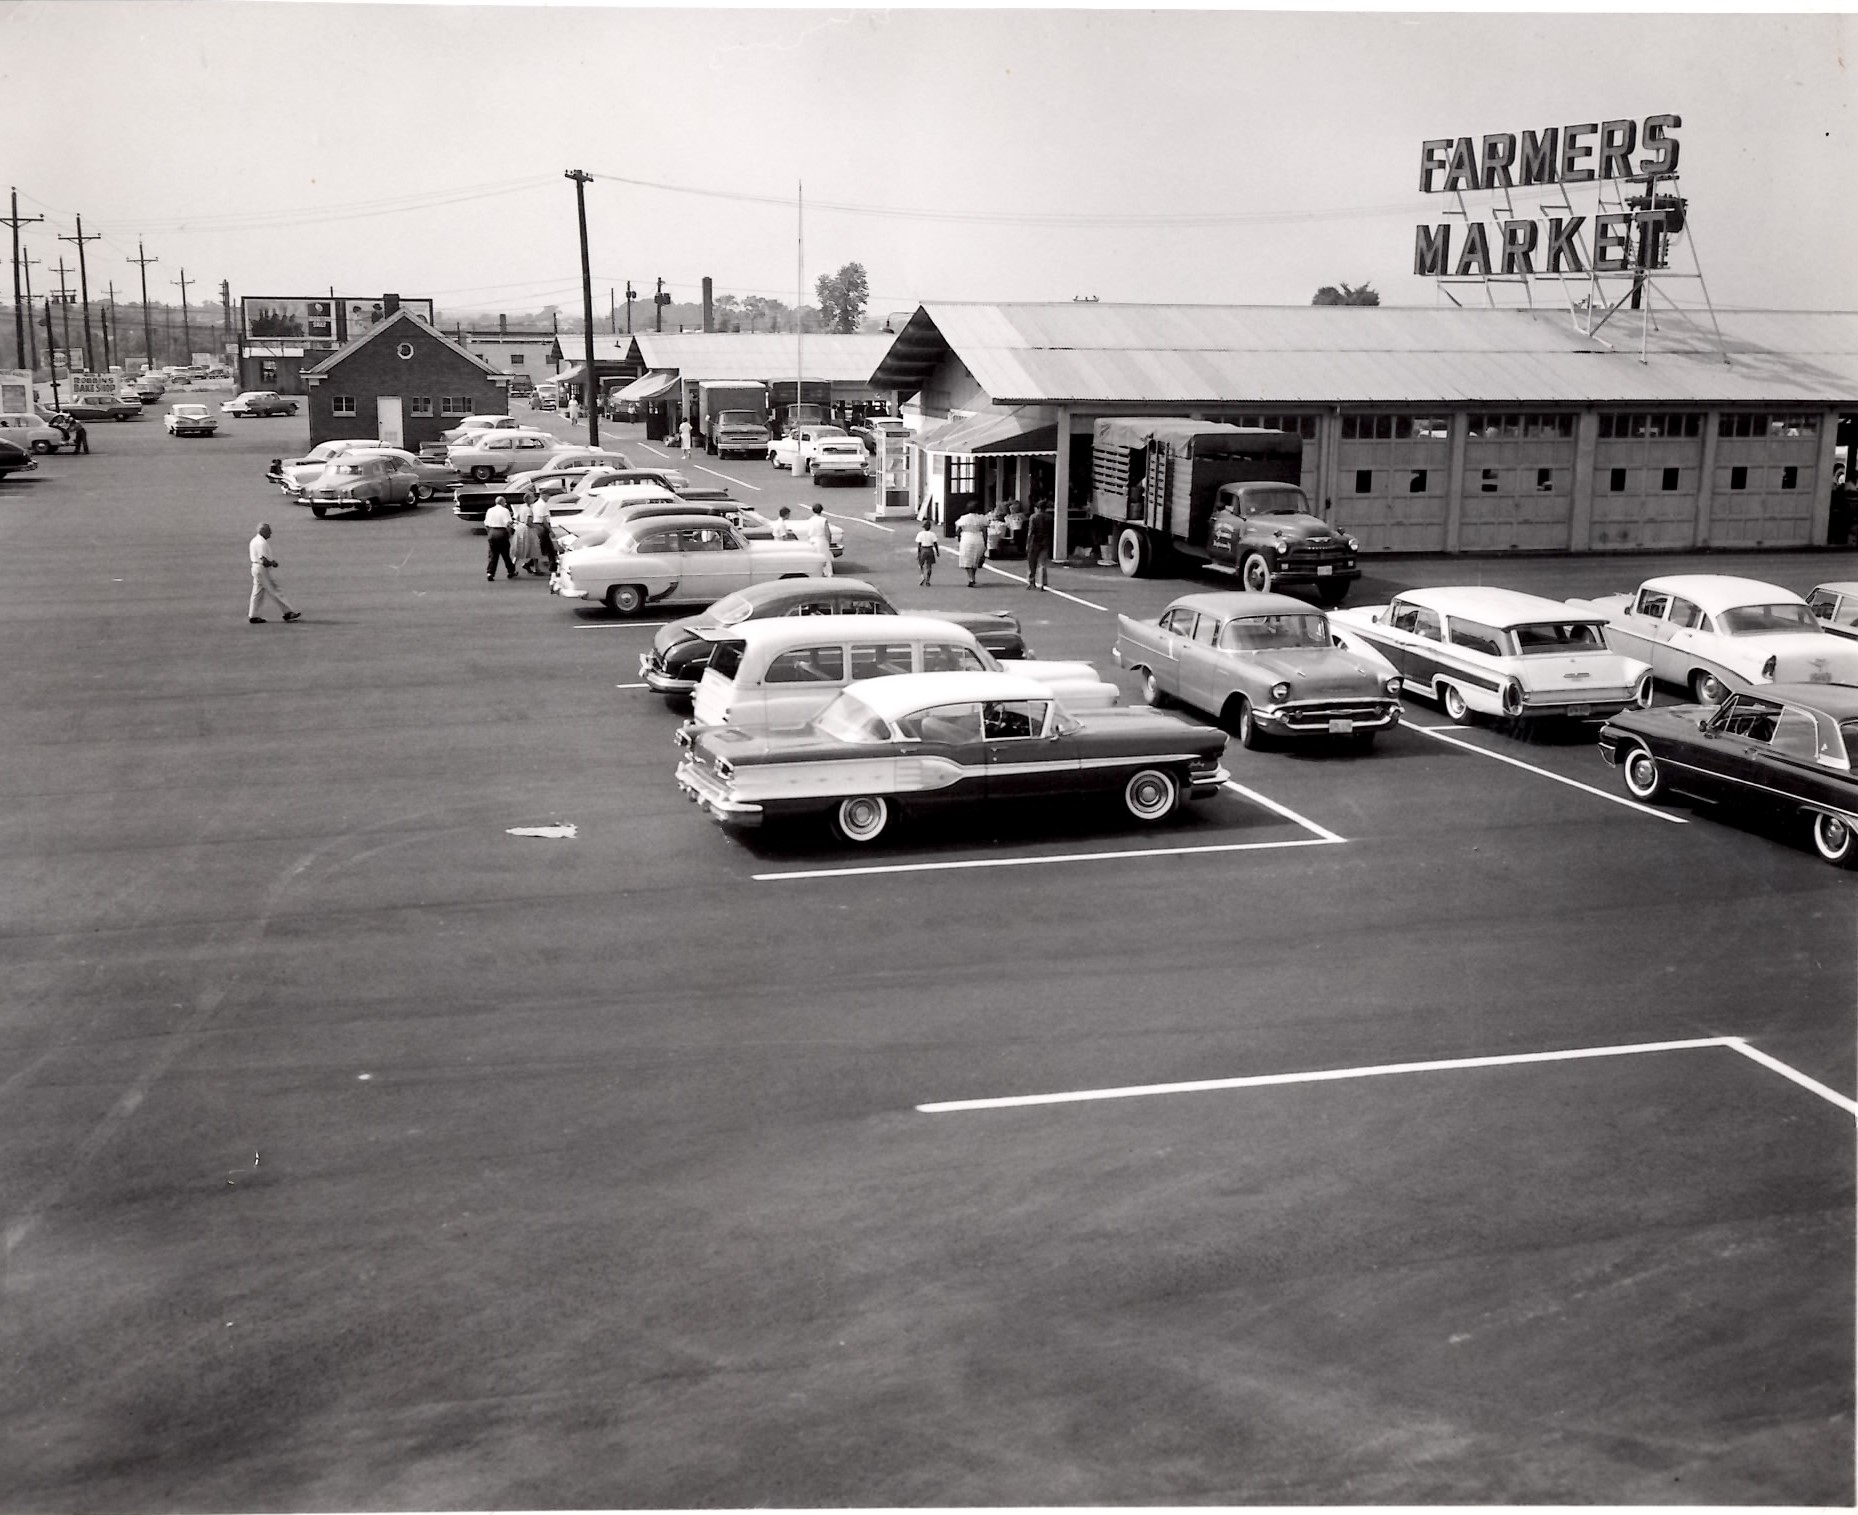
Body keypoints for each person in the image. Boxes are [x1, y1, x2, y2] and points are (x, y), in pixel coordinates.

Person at [247, 522, 300, 623]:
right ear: (263, 531)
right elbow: (264, 560)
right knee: (274, 590)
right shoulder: (261, 543)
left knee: (257, 593)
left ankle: (253, 615)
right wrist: (273, 563)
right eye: (269, 531)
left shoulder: (254, 541)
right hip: (262, 569)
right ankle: (288, 612)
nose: (270, 534)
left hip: (256, 568)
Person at [483, 498, 518, 581]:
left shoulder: (490, 510)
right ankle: (511, 571)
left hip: (492, 532)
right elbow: (508, 523)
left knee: (492, 554)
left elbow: (486, 524)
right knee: (505, 554)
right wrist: (509, 535)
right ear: (502, 502)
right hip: (501, 532)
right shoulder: (505, 511)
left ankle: (490, 573)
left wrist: (489, 533)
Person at [955, 506, 990, 587]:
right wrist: (985, 543)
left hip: (966, 538)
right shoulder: (982, 518)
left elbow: (958, 530)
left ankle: (971, 578)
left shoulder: (963, 518)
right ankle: (973, 577)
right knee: (975, 559)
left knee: (967, 559)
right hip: (978, 538)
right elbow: (985, 531)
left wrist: (959, 538)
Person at [1025, 500, 1055, 591]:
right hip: (1045, 542)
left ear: (1037, 508)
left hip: (1034, 542)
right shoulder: (1050, 517)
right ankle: (1042, 584)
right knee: (1042, 563)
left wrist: (1027, 543)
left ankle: (1031, 582)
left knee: (1031, 563)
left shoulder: (1033, 517)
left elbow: (1031, 532)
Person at [805, 502, 834, 577]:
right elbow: (827, 532)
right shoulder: (823, 520)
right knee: (825, 560)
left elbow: (808, 532)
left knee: (815, 560)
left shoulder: (810, 520)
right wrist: (829, 542)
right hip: (822, 541)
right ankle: (827, 575)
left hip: (812, 541)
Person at [512, 496, 536, 574]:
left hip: (520, 528)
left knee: (519, 548)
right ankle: (536, 568)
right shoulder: (529, 510)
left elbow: (517, 518)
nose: (534, 499)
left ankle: (512, 566)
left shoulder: (521, 507)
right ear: (529, 499)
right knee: (534, 548)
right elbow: (528, 522)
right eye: (533, 498)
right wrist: (537, 527)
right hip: (527, 529)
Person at [532, 496, 557, 576]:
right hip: (542, 527)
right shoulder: (543, 505)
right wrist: (550, 531)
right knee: (550, 549)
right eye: (548, 496)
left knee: (542, 548)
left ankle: (529, 564)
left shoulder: (535, 504)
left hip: (538, 526)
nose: (548, 498)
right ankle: (553, 567)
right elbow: (544, 520)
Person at [914, 520, 940, 586]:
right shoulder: (932, 534)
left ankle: (922, 576)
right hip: (930, 550)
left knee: (920, 565)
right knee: (929, 566)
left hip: (923, 549)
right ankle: (928, 580)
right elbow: (935, 543)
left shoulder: (920, 534)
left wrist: (918, 553)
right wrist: (937, 552)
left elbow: (919, 545)